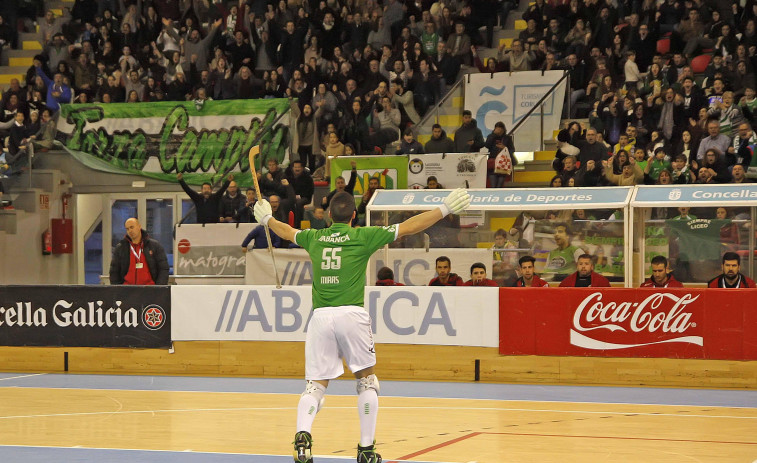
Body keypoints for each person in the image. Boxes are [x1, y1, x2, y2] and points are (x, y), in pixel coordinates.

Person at [252, 188, 471, 463]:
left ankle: (303, 437)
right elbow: (410, 226)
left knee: (314, 388)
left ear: (329, 215)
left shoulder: (314, 237)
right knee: (367, 382)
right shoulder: (363, 236)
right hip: (352, 315)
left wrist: (267, 220)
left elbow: (286, 232)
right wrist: (444, 209)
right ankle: (366, 450)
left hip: (320, 318)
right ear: (354, 216)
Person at [109, 217, 169, 285]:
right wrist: (118, 290)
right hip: (127, 291)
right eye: (127, 229)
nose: (130, 231)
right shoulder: (120, 248)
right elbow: (114, 271)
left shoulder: (154, 246)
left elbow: (163, 268)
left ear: (139, 226)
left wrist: (159, 288)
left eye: (132, 227)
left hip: (150, 290)